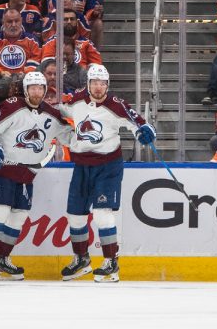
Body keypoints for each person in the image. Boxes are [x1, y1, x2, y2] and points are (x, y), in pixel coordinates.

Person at [58, 64, 156, 283]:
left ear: (107, 85)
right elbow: (59, 110)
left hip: (108, 166)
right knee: (75, 215)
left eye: (102, 83)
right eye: (94, 82)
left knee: (103, 213)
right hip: (82, 165)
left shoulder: (116, 105)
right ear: (88, 84)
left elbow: (139, 124)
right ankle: (81, 259)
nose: (98, 87)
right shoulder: (76, 100)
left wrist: (145, 132)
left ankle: (111, 263)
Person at [0, 72, 73, 280]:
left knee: (19, 216)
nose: (37, 92)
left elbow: (68, 137)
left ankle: (2, 258)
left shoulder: (50, 113)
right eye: (33, 88)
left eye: (40, 88)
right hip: (3, 168)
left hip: (27, 172)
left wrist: (88, 132)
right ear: (26, 90)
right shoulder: (13, 106)